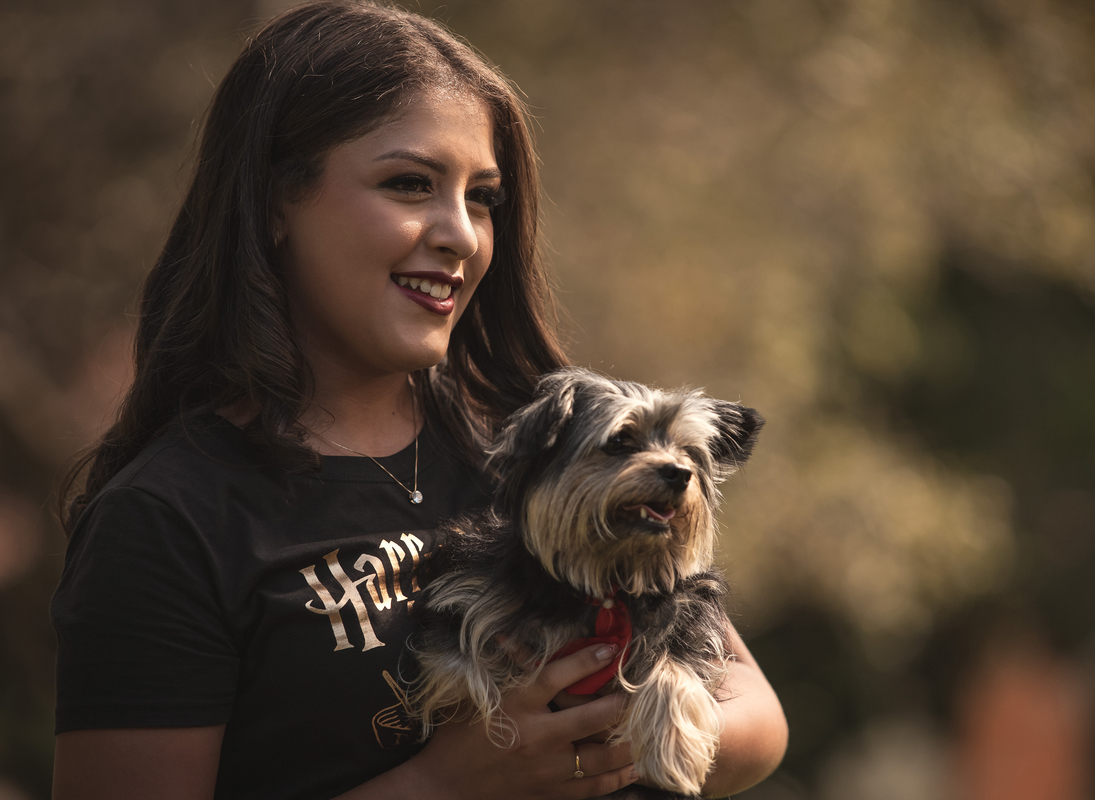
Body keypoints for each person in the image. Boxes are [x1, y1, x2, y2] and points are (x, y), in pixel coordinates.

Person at [50, 2, 789, 798]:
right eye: (409, 184)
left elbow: (754, 716)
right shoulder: (169, 519)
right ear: (270, 202)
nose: (462, 235)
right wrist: (447, 784)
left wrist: (613, 738)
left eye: (482, 198)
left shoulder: (527, 444)